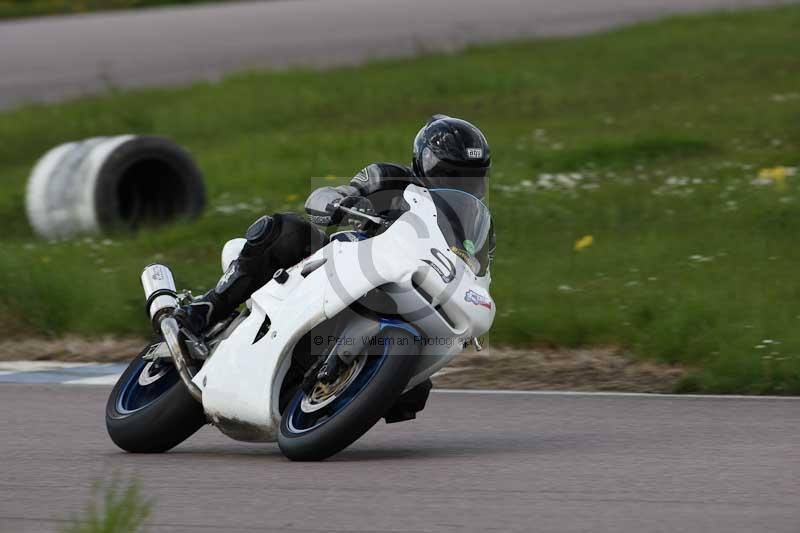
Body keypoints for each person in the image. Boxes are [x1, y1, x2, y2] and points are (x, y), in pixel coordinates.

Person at [174, 114, 493, 336]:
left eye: (472, 177)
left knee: (415, 392)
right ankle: (208, 307)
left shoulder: (473, 225)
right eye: (453, 175)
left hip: (405, 294)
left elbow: (478, 276)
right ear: (426, 164)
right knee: (284, 231)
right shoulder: (389, 179)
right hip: (343, 264)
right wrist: (336, 203)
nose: (463, 185)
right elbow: (344, 194)